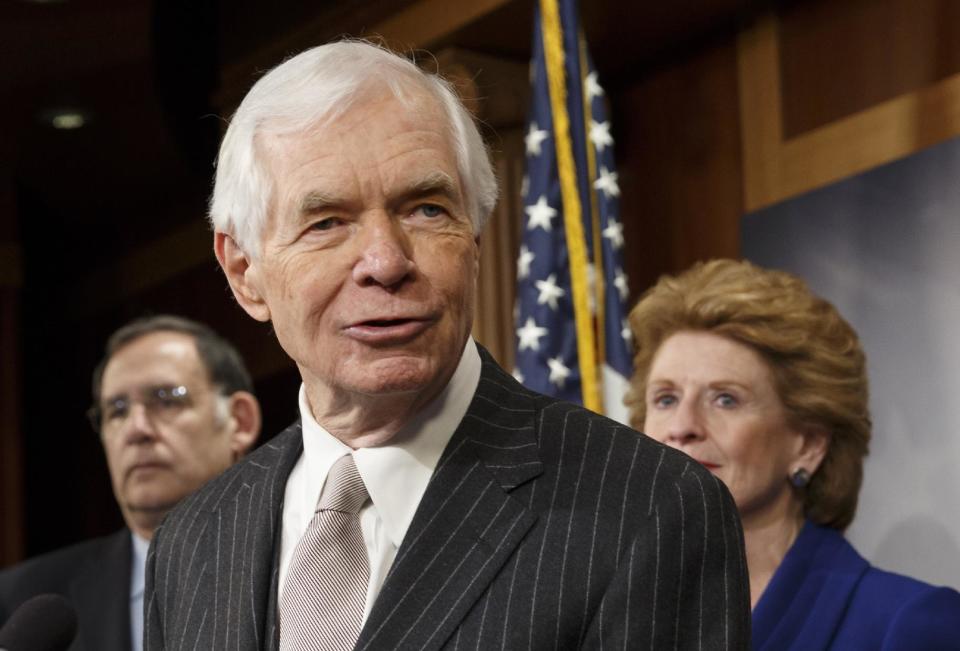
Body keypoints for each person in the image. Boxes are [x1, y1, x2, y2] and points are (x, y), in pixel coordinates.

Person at [143, 41, 750, 650]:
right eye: (327, 222)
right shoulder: (193, 539)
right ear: (245, 271)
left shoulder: (648, 509)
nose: (385, 261)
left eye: (427, 210)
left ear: (476, 239)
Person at [628, 258, 960, 650]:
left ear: (808, 444)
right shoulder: (617, 613)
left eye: (725, 399)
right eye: (665, 398)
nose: (682, 425)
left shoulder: (910, 625)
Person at [0, 315, 262, 651]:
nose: (136, 428)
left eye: (167, 399)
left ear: (239, 421)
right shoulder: (19, 602)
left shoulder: (305, 564)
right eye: (117, 410)